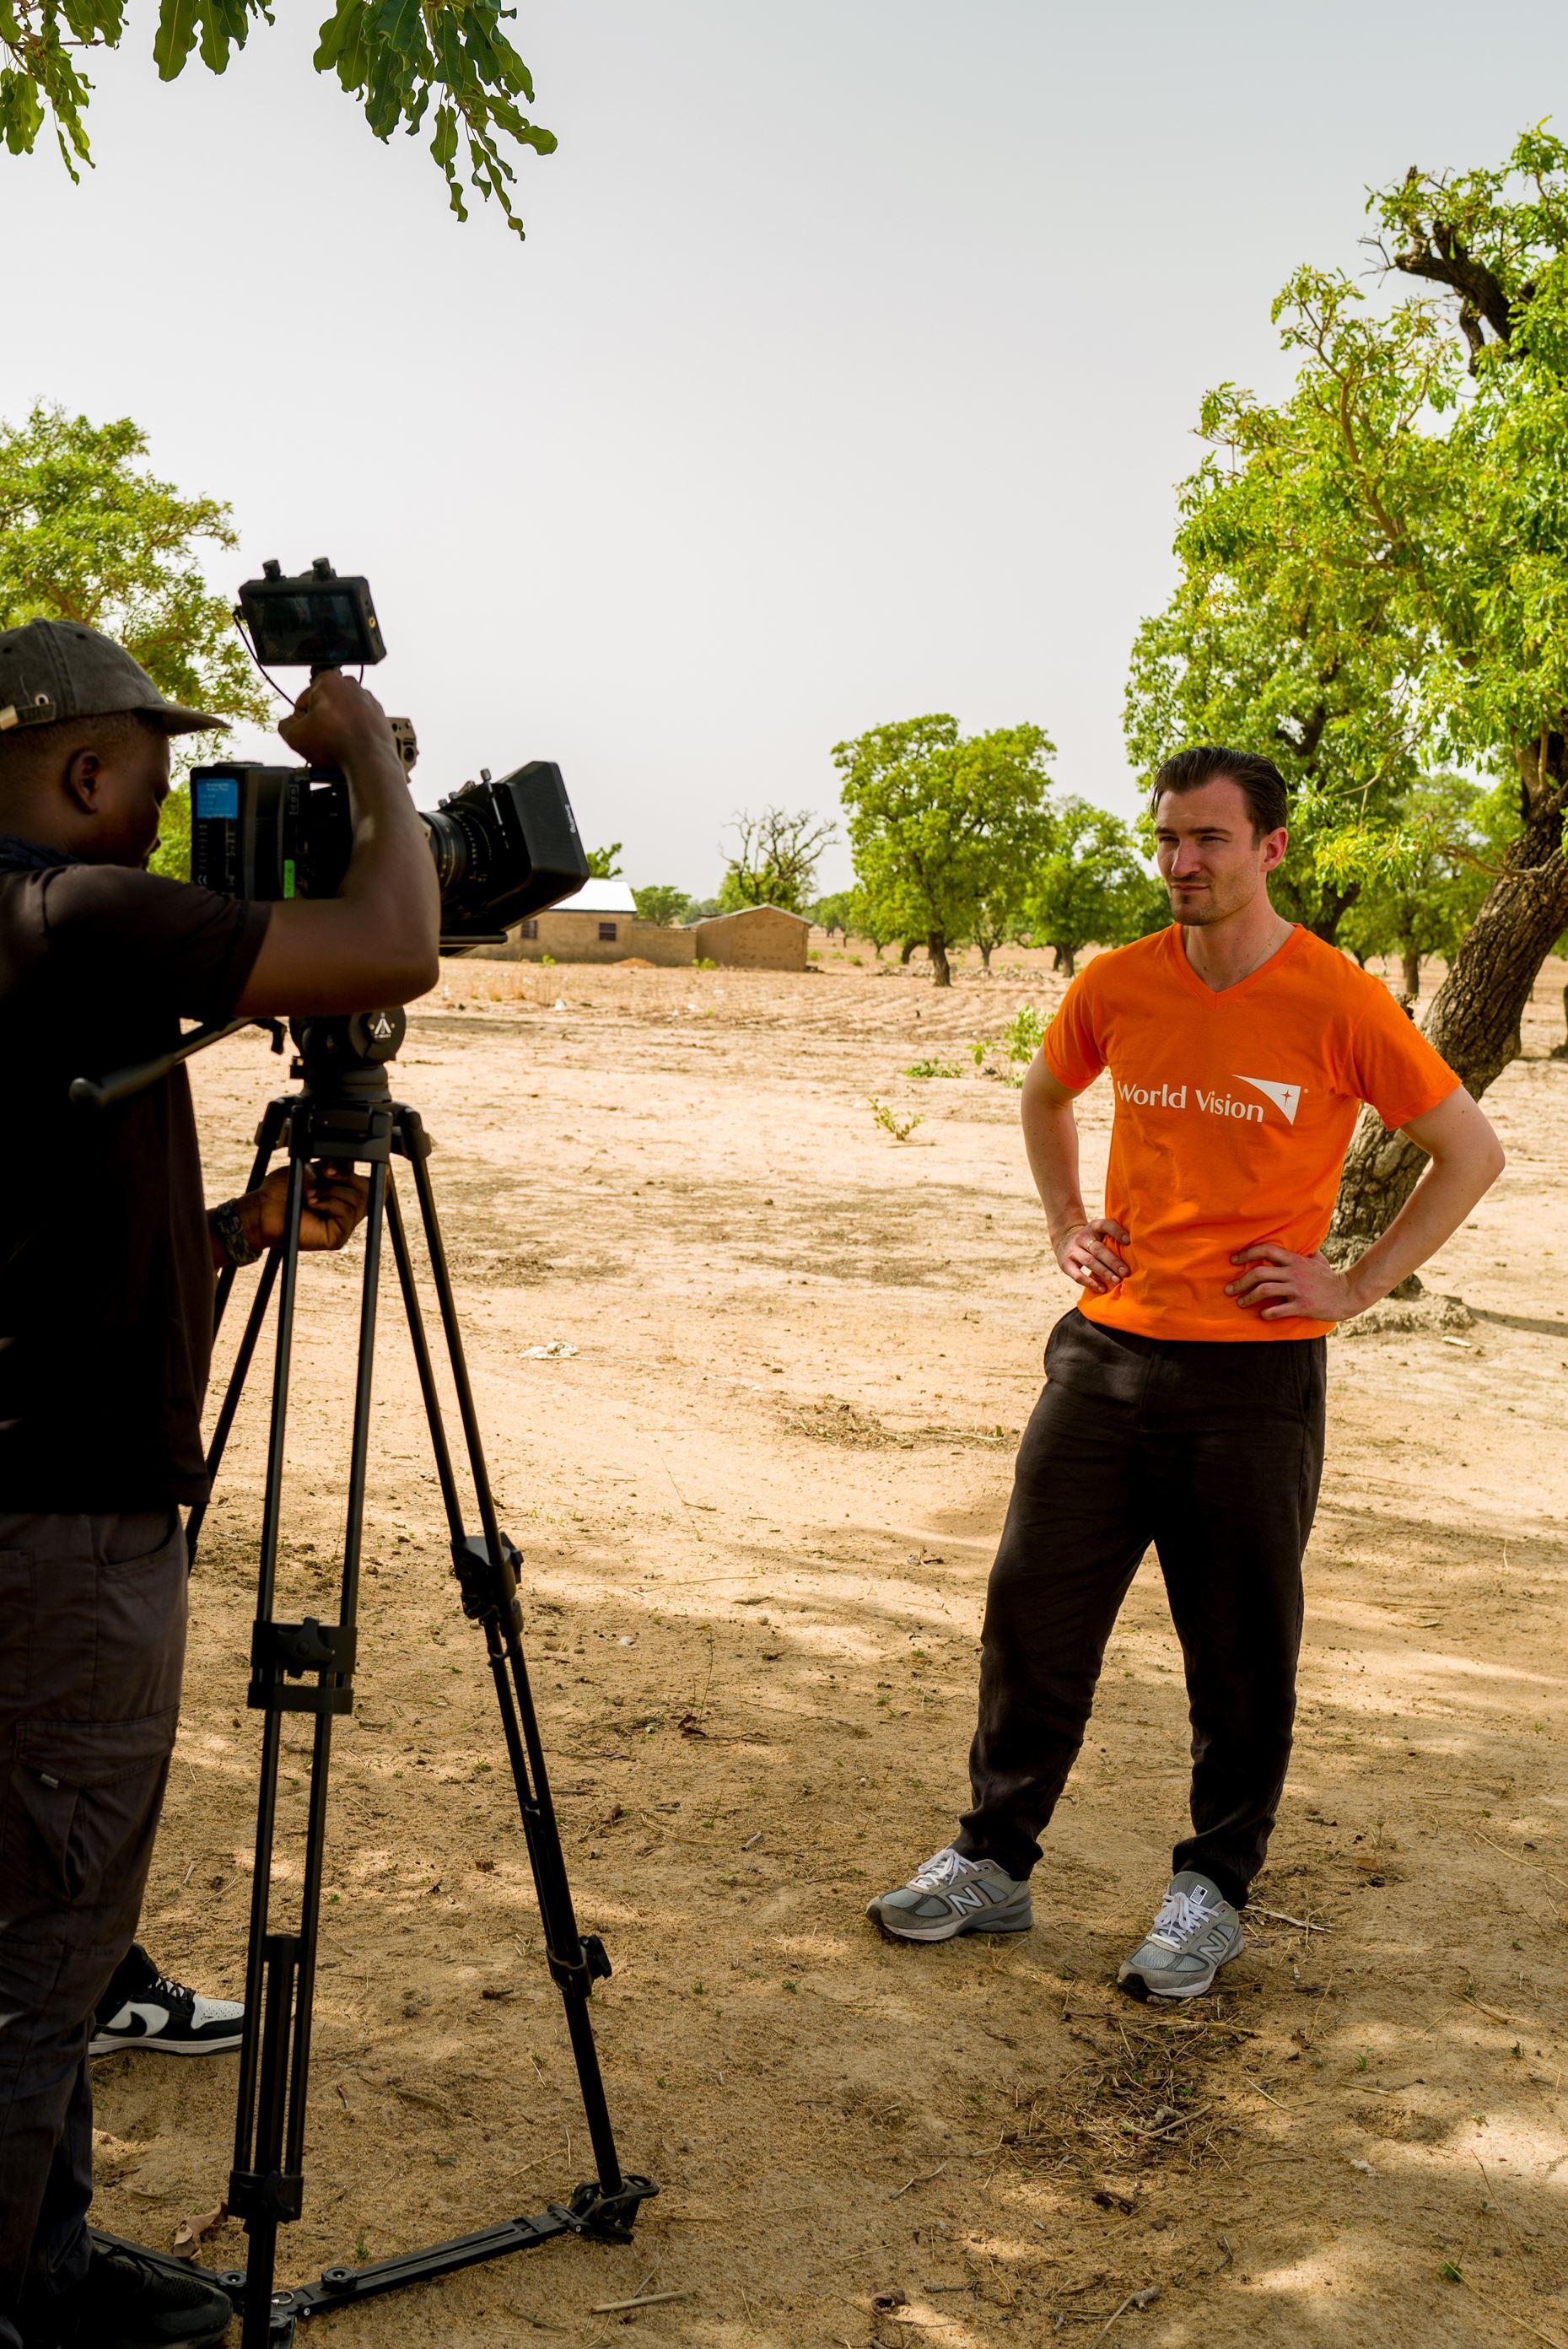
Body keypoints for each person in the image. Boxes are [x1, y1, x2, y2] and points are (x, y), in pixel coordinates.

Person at [867, 745, 1505, 1996]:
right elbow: (1046, 1096)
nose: (1182, 863)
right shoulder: (1119, 983)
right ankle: (993, 1861)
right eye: (1169, 837)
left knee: (1240, 1650)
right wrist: (1066, 1222)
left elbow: (1468, 1149)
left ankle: (1211, 1891)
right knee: (1031, 1616)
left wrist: (1357, 1282)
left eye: (1211, 839)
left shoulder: (1337, 998)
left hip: (1252, 1384)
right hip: (1104, 1356)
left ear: (1270, 849)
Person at [0, 617, 439, 2349]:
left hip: (30, 1490)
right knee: (48, 1945)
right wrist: (372, 761)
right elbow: (392, 945)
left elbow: (51, 1252)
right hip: (64, 1533)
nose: (174, 819)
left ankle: (49, 2269)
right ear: (89, 770)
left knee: (31, 1912)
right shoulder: (77, 910)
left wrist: (250, 1230)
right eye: (159, 782)